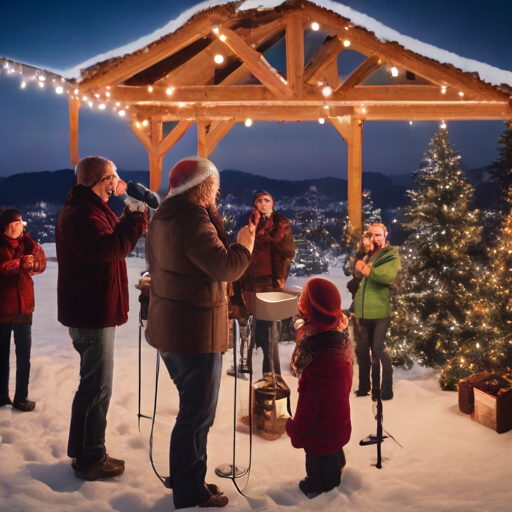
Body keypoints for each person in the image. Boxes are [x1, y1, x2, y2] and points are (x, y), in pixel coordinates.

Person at [145, 156, 254, 509]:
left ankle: (186, 475)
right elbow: (224, 266)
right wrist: (245, 245)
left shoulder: (164, 214)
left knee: (191, 410)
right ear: (204, 185)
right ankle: (189, 491)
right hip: (195, 332)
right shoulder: (191, 219)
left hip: (170, 328)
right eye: (214, 186)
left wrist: (211, 212)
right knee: (197, 414)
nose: (218, 192)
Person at [56, 156, 145, 480]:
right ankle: (91, 457)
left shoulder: (85, 208)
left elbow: (108, 240)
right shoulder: (80, 214)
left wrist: (128, 209)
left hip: (92, 308)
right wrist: (134, 215)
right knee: (97, 387)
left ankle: (84, 452)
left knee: (91, 385)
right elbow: (108, 248)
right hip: (92, 312)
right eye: (112, 176)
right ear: (99, 178)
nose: (117, 180)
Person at [286, 277, 353, 498]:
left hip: (319, 439)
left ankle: (319, 488)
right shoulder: (341, 347)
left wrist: (295, 431)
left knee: (320, 483)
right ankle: (334, 475)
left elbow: (307, 409)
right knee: (334, 462)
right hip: (339, 427)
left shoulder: (316, 362)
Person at [237, 190, 295, 374]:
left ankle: (271, 373)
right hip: (247, 279)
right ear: (255, 203)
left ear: (273, 203)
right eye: (259, 200)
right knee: (247, 323)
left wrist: (280, 279)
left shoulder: (281, 223)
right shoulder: (246, 219)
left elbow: (287, 252)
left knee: (269, 329)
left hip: (269, 282)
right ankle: (247, 363)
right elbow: (239, 244)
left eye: (267, 200)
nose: (263, 204)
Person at [0, 208, 46, 412]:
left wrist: (32, 263)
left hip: (25, 308)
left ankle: (21, 397)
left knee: (24, 356)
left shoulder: (28, 243)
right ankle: (1, 395)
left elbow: (41, 263)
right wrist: (19, 263)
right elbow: (3, 268)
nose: (17, 227)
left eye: (19, 223)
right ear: (4, 228)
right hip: (3, 309)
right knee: (2, 355)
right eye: (12, 224)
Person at [353, 223, 401, 401]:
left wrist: (364, 269)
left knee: (378, 350)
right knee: (363, 351)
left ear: (385, 235)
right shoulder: (368, 255)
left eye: (379, 235)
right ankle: (364, 388)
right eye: (372, 235)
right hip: (363, 311)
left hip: (380, 311)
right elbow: (358, 276)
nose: (375, 238)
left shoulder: (390, 254)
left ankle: (385, 389)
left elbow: (386, 277)